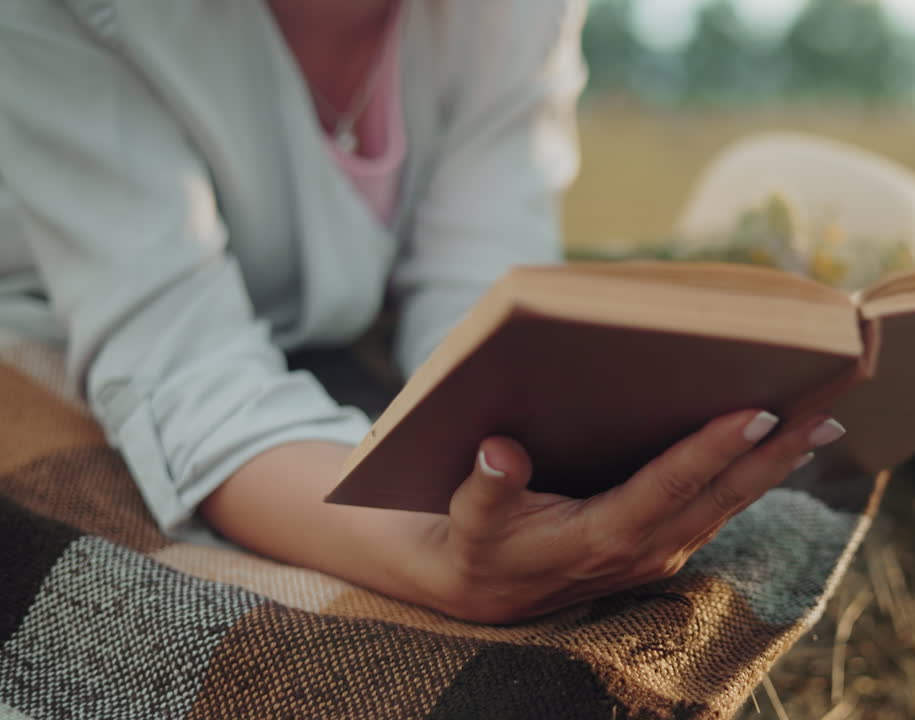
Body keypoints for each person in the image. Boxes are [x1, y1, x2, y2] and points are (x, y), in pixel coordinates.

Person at [0, 0, 846, 624]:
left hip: (299, 346)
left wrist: (533, 455)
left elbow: (478, 287)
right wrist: (435, 562)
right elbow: (183, 368)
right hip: (60, 331)